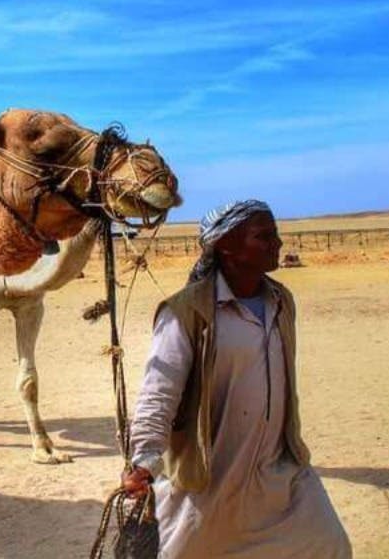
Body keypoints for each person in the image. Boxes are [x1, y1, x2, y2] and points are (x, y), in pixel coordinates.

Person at [122, 200, 352, 558]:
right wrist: (146, 460)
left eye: (274, 234)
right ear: (226, 246)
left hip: (280, 468)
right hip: (213, 476)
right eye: (264, 236)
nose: (277, 243)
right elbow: (158, 392)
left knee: (330, 545)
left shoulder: (281, 301)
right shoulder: (185, 312)